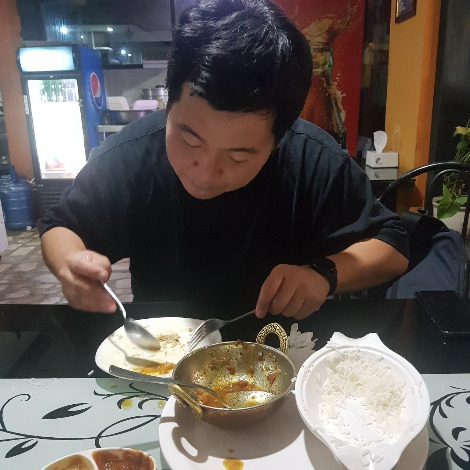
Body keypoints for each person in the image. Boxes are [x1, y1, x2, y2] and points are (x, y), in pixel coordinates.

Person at [40, 0, 409, 320]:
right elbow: (62, 226)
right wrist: (70, 266)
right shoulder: (132, 155)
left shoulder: (312, 159)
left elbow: (394, 248)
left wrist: (323, 274)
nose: (206, 171)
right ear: (169, 106)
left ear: (279, 138)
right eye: (189, 139)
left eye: (238, 157)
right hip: (165, 351)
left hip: (280, 347)